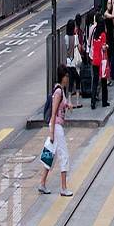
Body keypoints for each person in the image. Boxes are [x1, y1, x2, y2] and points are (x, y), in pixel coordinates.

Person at [39, 66, 73, 196]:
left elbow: (60, 107)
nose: (68, 79)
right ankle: (63, 188)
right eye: (67, 76)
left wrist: (68, 105)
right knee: (64, 155)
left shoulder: (60, 90)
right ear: (63, 77)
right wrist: (52, 132)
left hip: (56, 126)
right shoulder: (58, 92)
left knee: (50, 155)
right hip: (56, 127)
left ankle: (42, 183)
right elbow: (53, 113)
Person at [91, 28, 109, 109]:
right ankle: (104, 102)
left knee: (95, 81)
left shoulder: (95, 34)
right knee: (104, 81)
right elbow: (104, 47)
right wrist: (107, 46)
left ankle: (93, 102)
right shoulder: (103, 34)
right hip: (102, 60)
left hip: (95, 59)